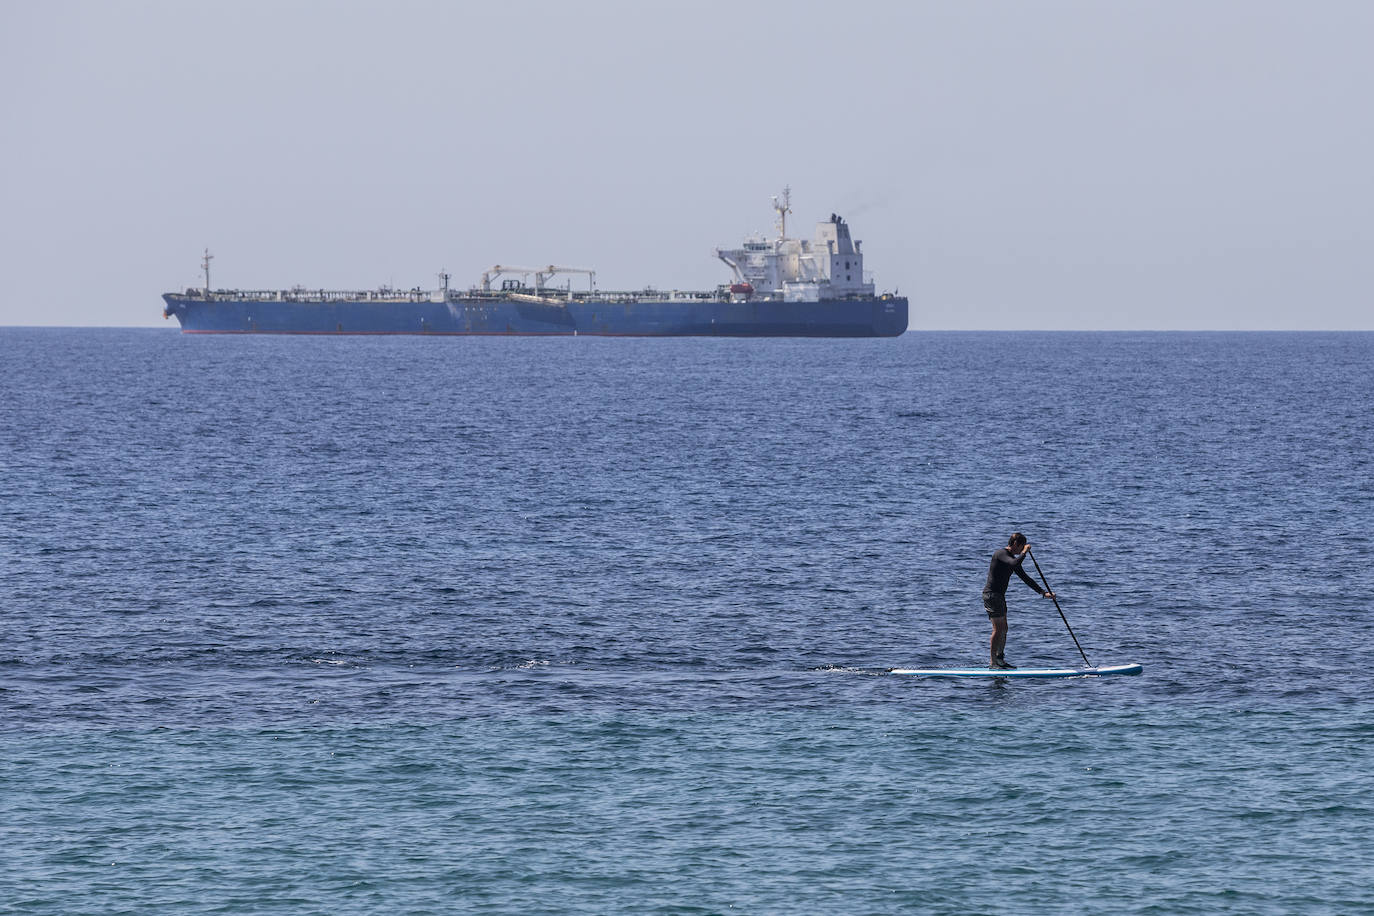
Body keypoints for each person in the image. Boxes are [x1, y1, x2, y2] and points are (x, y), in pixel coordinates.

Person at [983, 532, 1055, 669]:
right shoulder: (1001, 554)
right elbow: (1015, 562)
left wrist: (1043, 592)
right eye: (1021, 548)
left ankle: (1000, 659)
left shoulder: (1012, 559)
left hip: (999, 596)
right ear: (1016, 544)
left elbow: (1025, 577)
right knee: (998, 629)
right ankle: (993, 663)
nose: (1021, 551)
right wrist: (1025, 553)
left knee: (1004, 628)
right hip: (991, 595)